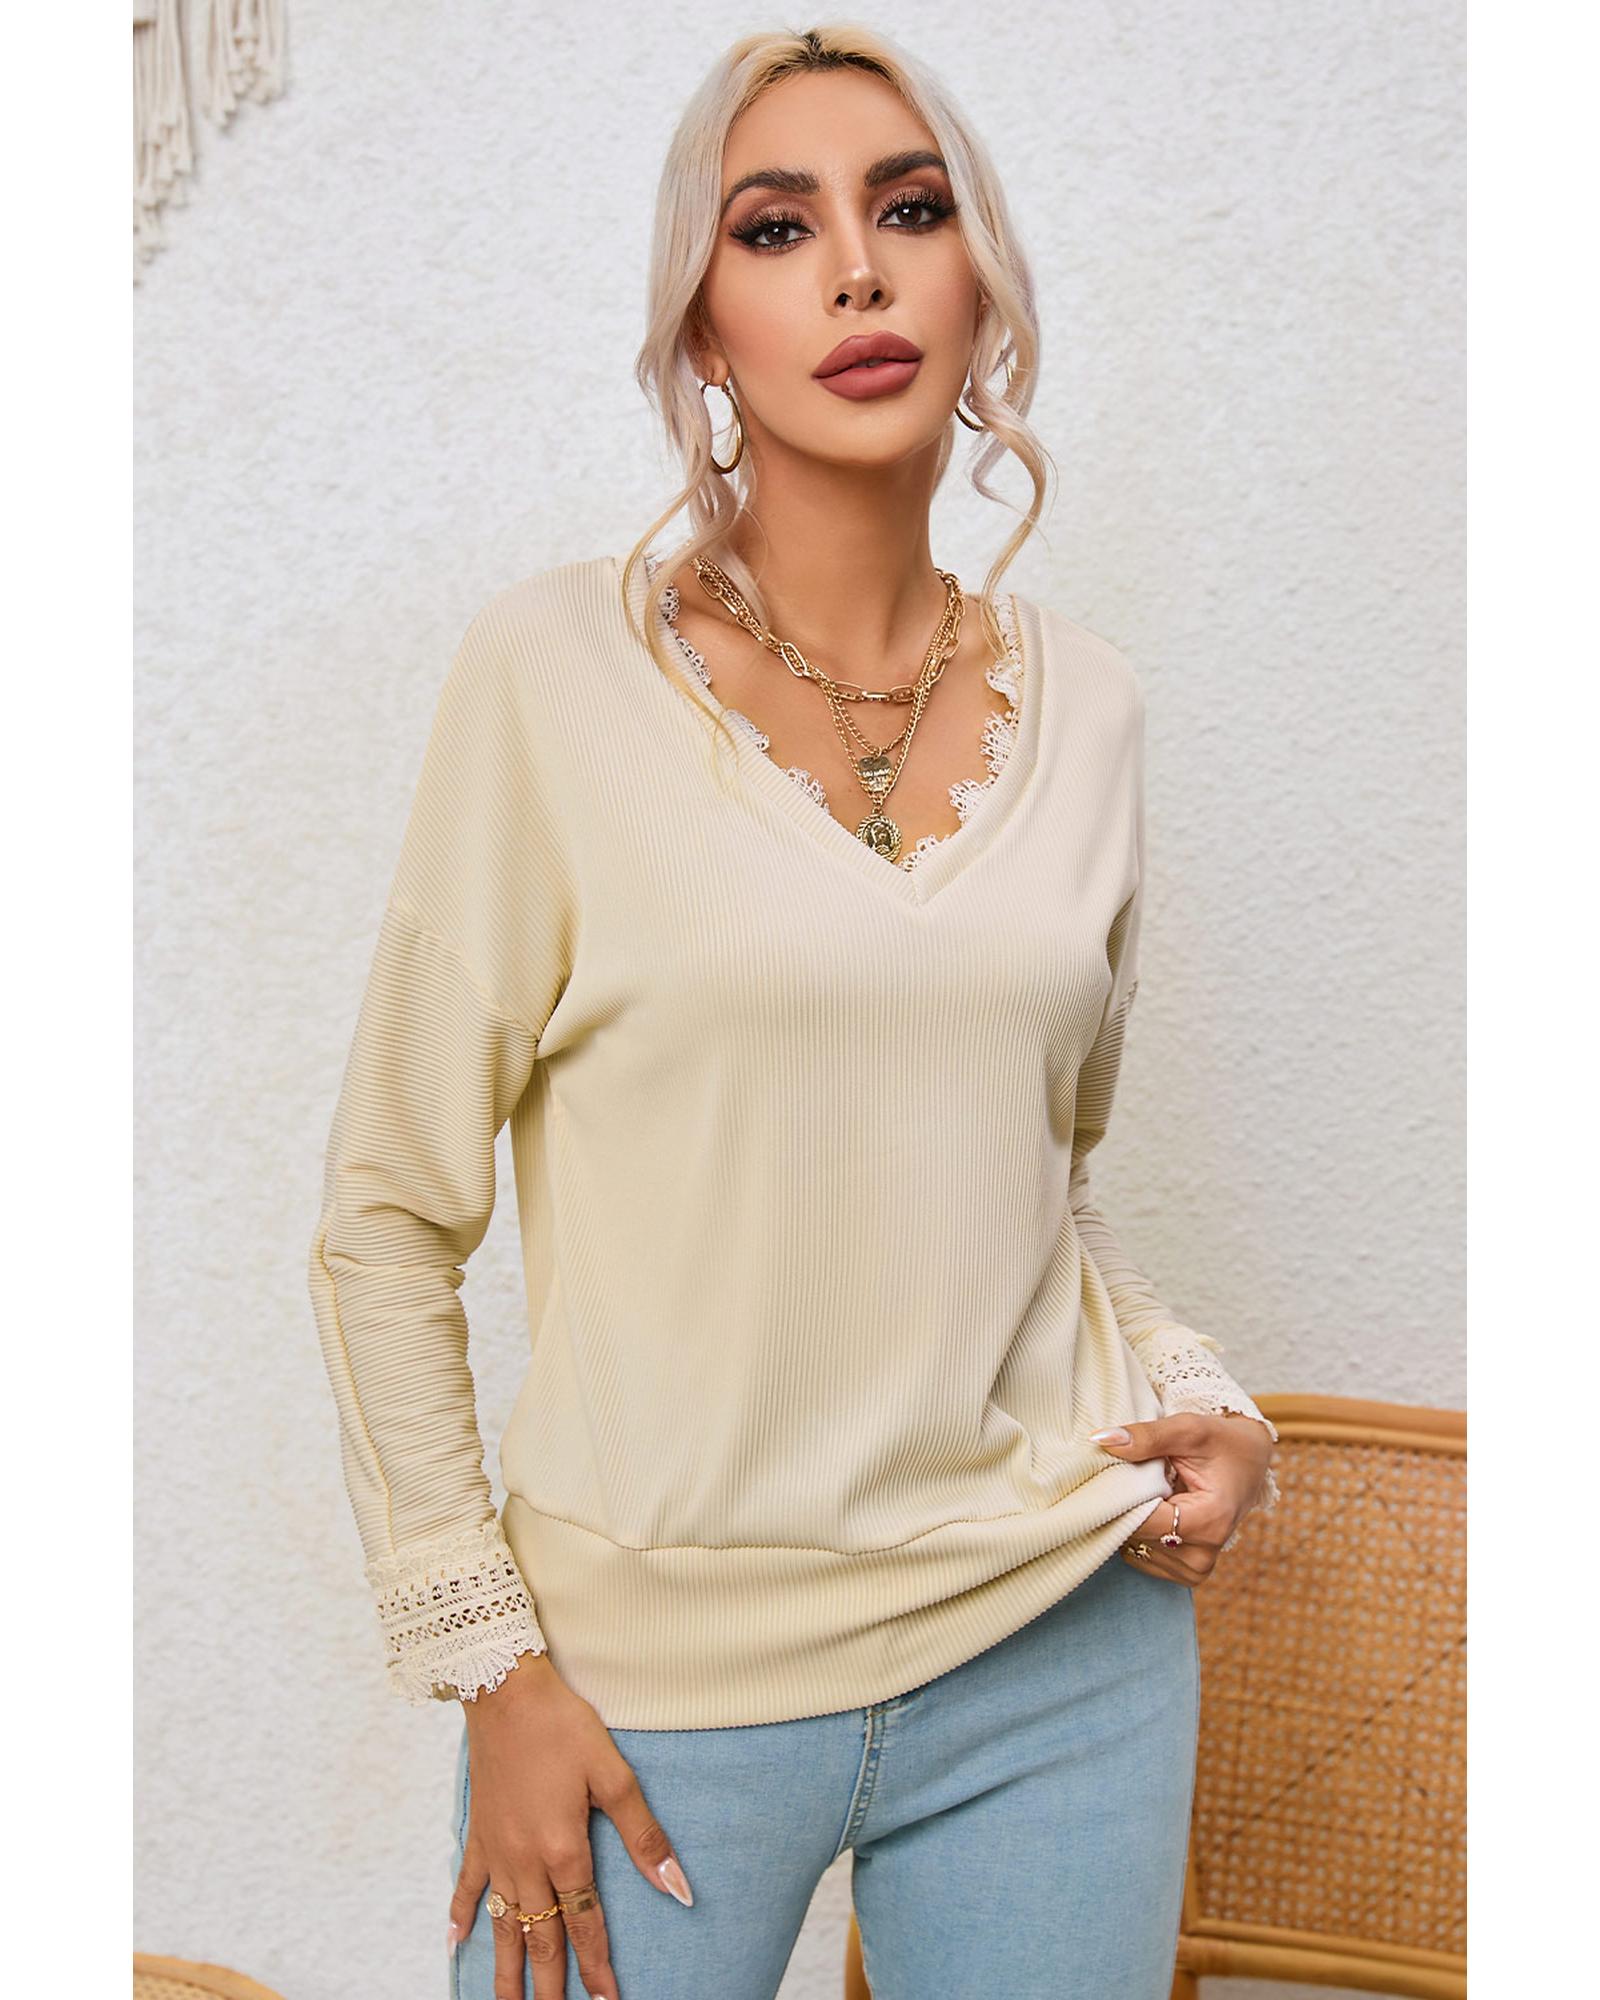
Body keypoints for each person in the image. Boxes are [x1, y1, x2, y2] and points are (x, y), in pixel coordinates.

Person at [307, 24, 1281, 2000]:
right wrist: (494, 1667)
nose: (854, 269)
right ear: (701, 327)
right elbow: (385, 1219)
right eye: (776, 227)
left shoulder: (1088, 706)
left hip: (1060, 1645)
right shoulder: (551, 677)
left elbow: (1037, 1184)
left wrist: (1205, 1399)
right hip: (645, 1690)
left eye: (909, 210)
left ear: (977, 279)